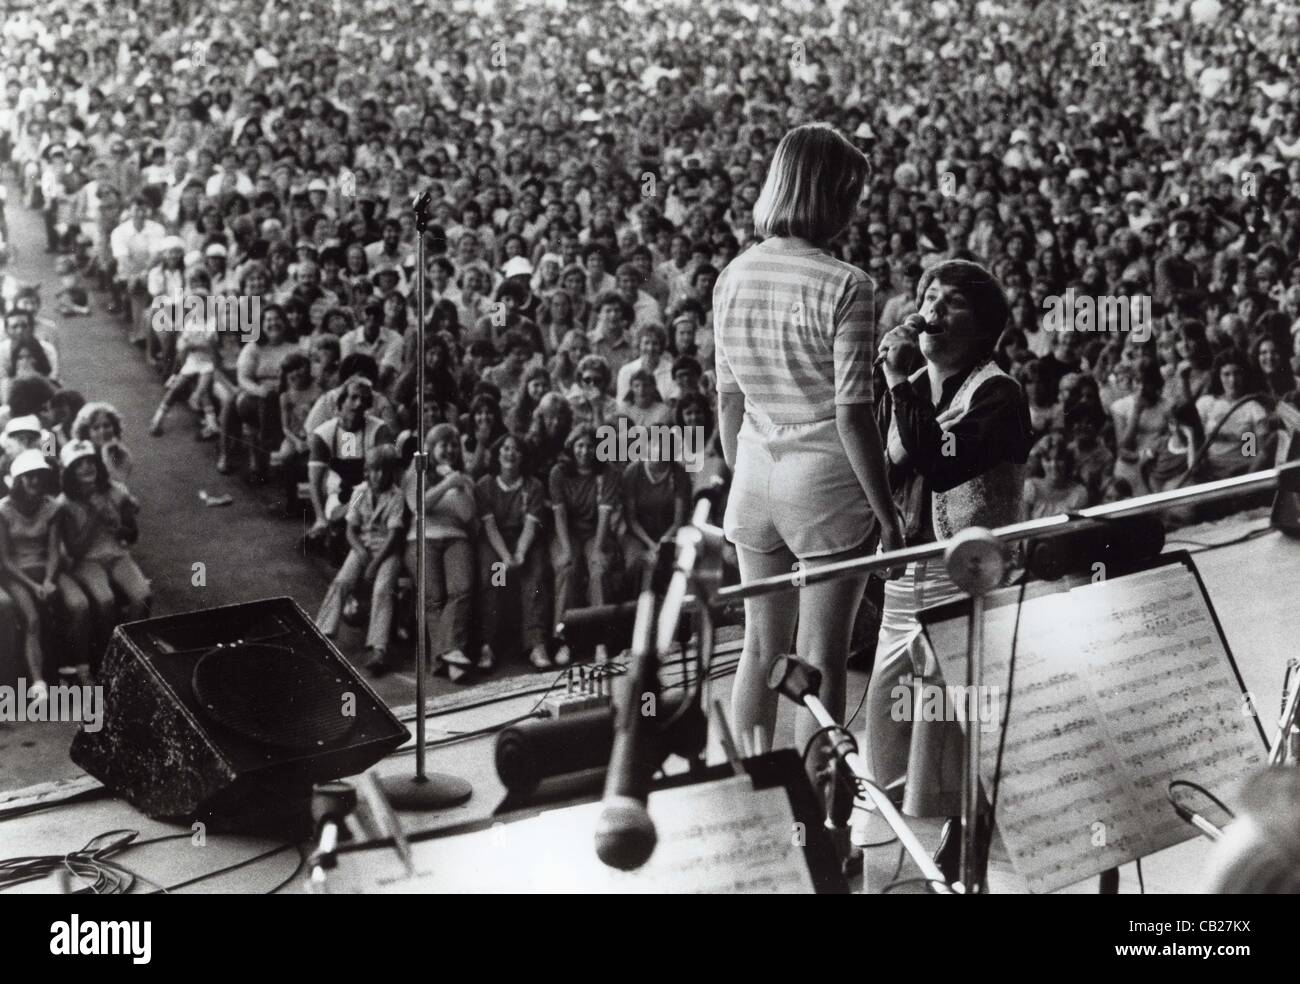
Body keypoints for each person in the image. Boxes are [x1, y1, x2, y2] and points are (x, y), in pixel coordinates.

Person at [714, 124, 904, 784]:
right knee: (817, 659)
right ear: (835, 194)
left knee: (760, 651)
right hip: (825, 483)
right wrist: (887, 512)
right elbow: (854, 414)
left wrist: (742, 465)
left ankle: (759, 806)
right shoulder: (849, 283)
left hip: (755, 479)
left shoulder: (733, 273)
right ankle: (817, 832)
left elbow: (728, 401)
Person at [860, 258, 1032, 880]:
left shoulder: (998, 393)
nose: (931, 308)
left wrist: (902, 382)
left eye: (950, 301)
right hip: (907, 570)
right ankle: (886, 825)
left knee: (954, 713)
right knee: (886, 703)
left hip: (966, 572)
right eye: (927, 295)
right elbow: (886, 463)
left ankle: (967, 839)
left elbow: (943, 461)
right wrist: (887, 383)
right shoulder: (913, 382)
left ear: (983, 323)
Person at [56, 439, 149, 672]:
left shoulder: (116, 491)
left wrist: (118, 527)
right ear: (69, 472)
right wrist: (95, 517)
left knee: (143, 595)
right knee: (105, 600)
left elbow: (132, 534)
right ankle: (108, 656)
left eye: (90, 462)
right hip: (86, 561)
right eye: (79, 464)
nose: (87, 468)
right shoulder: (65, 504)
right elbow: (74, 550)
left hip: (116, 555)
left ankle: (130, 650)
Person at [317, 445, 406, 675]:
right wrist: (360, 550)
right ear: (367, 471)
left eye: (382, 471)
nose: (377, 475)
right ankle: (323, 633)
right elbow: (350, 529)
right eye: (373, 470)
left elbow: (394, 536)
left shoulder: (397, 496)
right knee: (341, 581)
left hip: (387, 550)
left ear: (390, 473)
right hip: (363, 546)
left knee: (382, 588)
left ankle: (378, 648)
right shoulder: (359, 493)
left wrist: (375, 564)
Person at [403, 422, 478, 683]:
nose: (449, 450)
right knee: (433, 597)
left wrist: (457, 485)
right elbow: (418, 507)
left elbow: (468, 515)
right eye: (443, 444)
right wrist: (447, 483)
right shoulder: (417, 470)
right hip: (421, 538)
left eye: (454, 445)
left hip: (456, 537)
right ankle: (452, 655)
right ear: (431, 447)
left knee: (463, 588)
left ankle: (444, 656)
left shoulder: (463, 478)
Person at [473, 432, 552, 671]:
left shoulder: (533, 486)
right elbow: (489, 526)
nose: (510, 453)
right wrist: (506, 557)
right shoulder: (485, 485)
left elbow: (530, 524)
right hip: (496, 542)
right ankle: (489, 644)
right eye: (505, 448)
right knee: (494, 576)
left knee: (535, 577)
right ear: (498, 454)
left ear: (522, 456)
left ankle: (536, 644)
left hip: (524, 541)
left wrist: (519, 554)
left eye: (516, 449)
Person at [549, 423, 621, 666]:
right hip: (567, 534)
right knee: (567, 570)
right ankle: (563, 639)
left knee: (598, 571)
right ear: (571, 447)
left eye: (590, 446)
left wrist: (598, 550)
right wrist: (568, 550)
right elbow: (559, 514)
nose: (585, 451)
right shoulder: (559, 473)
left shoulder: (607, 472)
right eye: (580, 445)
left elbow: (604, 515)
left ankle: (601, 641)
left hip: (596, 533)